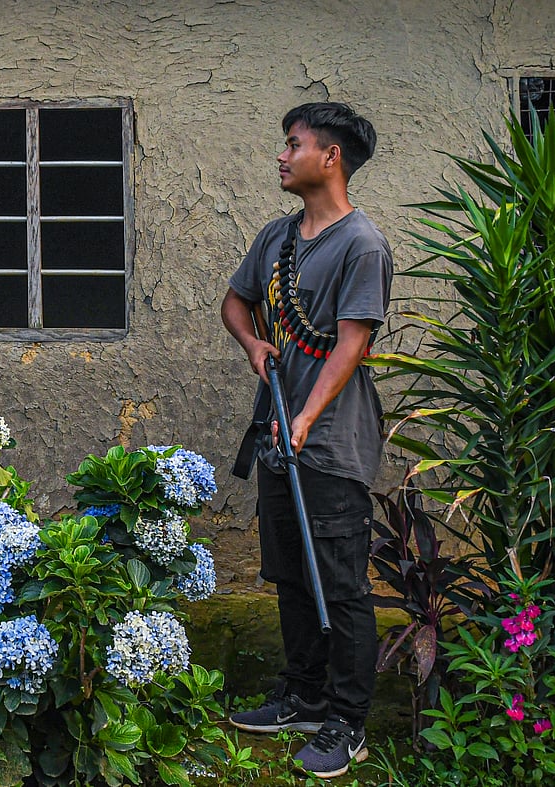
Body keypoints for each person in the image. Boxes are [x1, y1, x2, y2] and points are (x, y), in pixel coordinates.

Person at [220, 103, 392, 779]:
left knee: (341, 583)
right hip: (279, 435)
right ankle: (303, 695)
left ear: (331, 157)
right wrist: (254, 343)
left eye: (293, 144)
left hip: (330, 441)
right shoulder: (276, 237)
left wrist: (306, 415)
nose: (281, 156)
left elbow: (352, 341)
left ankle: (348, 722)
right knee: (290, 573)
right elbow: (235, 302)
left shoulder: (361, 244)